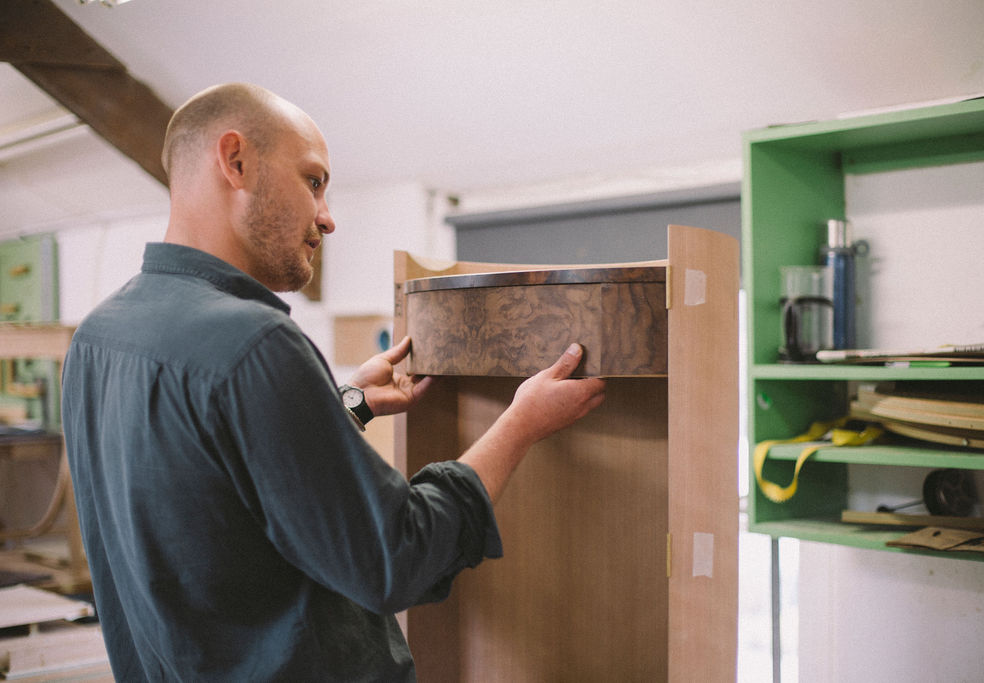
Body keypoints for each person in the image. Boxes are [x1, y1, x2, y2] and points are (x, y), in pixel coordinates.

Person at [60, 83, 606, 681]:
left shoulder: (99, 335)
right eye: (313, 181)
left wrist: (344, 406)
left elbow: (216, 493)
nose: (328, 217)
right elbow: (393, 557)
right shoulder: (255, 344)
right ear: (236, 161)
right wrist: (521, 422)